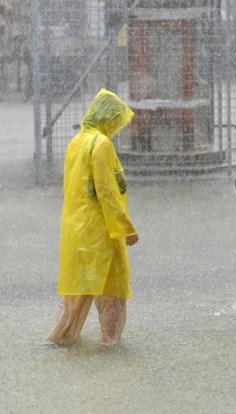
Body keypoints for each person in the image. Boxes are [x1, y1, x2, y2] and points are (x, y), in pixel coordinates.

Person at [46, 89, 139, 347]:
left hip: (76, 233)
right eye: (116, 120)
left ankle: (57, 344)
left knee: (75, 295)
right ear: (107, 118)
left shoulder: (76, 142)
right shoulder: (101, 145)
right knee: (112, 294)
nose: (117, 127)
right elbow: (106, 191)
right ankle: (111, 346)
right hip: (102, 234)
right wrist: (126, 228)